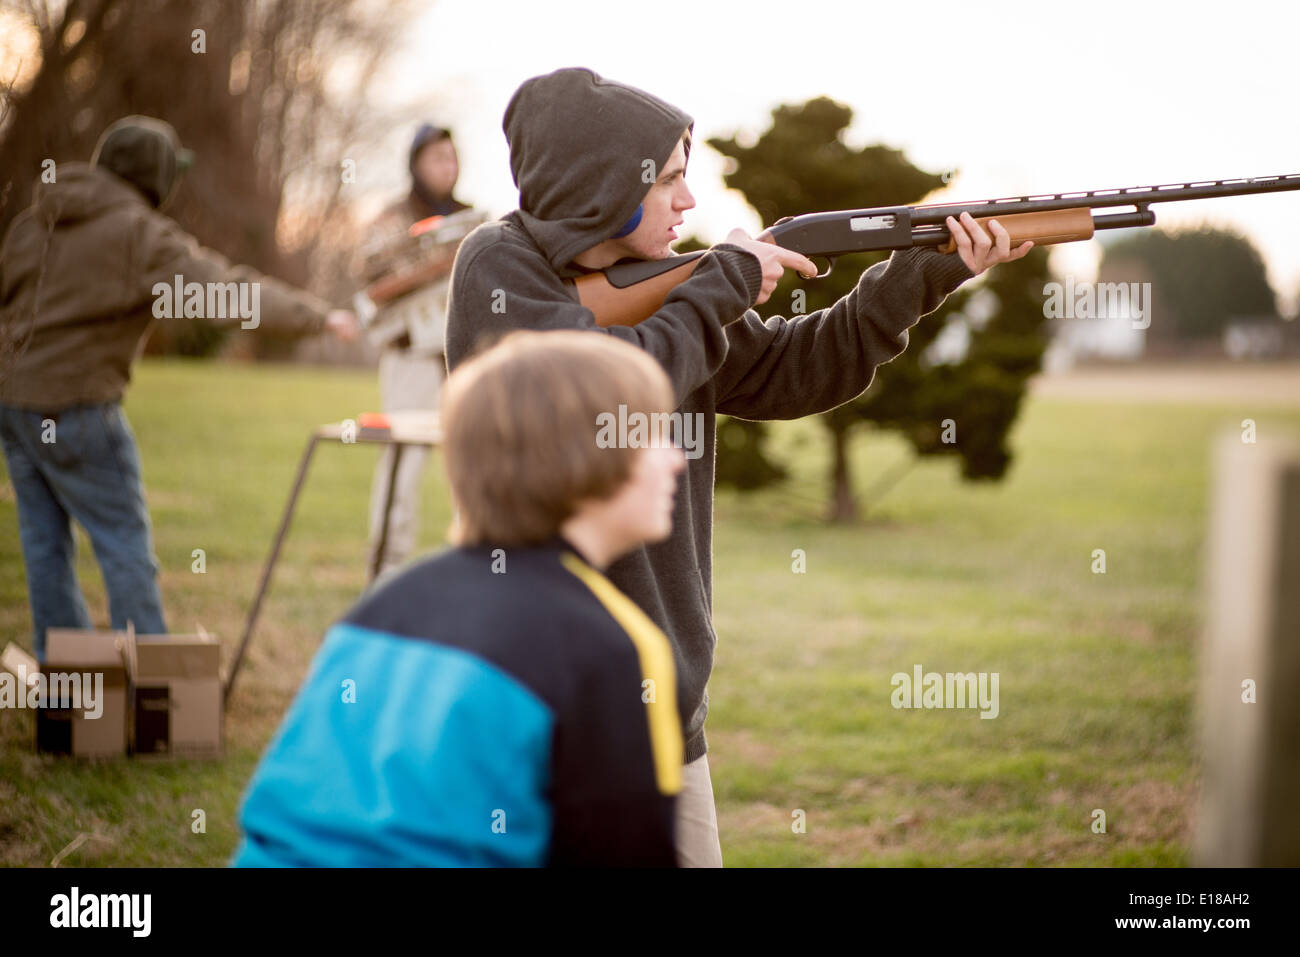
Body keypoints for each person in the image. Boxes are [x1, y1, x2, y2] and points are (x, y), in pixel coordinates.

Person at [444, 67, 1033, 866]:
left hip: (667, 717)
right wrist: (720, 285)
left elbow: (804, 368)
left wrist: (928, 269)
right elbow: (604, 391)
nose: (690, 203)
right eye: (672, 180)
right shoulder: (497, 269)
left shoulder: (671, 293)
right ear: (607, 187)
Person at [234, 330, 687, 867]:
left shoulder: (385, 604)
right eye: (652, 435)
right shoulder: (611, 650)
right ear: (581, 459)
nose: (677, 458)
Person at [0, 115, 357, 660]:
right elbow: (227, 293)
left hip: (14, 407)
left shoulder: (32, 223)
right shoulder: (137, 234)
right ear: (155, 178)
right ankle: (154, 695)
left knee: (44, 547)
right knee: (123, 547)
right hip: (76, 404)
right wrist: (317, 316)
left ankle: (65, 691)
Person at [357, 123, 475, 577]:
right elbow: (371, 287)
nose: (447, 165)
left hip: (463, 358)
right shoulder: (392, 219)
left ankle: (478, 571)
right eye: (436, 158)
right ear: (416, 164)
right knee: (403, 462)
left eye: (452, 156)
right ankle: (384, 574)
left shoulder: (472, 218)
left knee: (475, 464)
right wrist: (427, 265)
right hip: (410, 358)